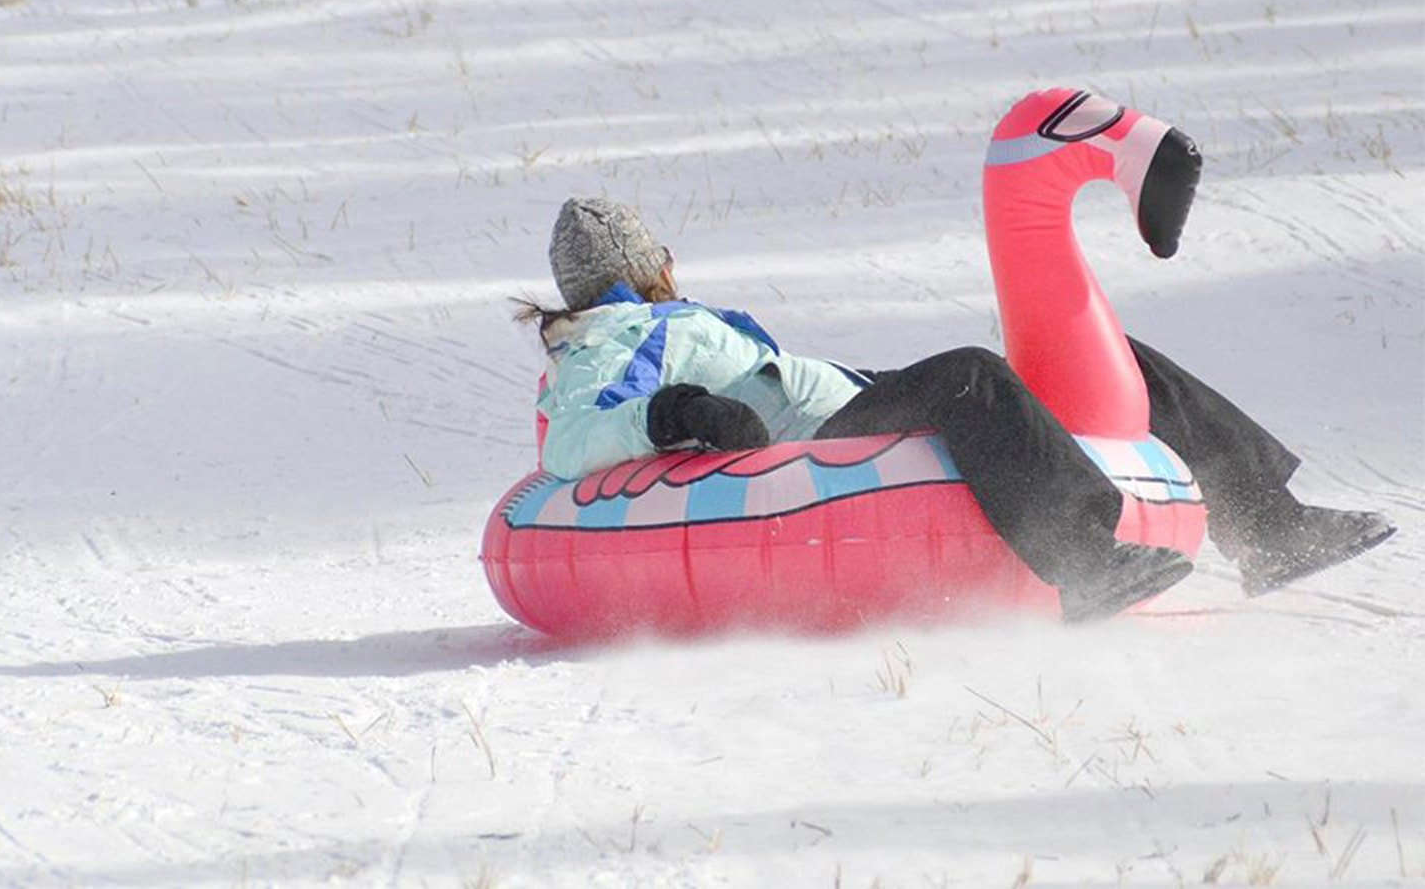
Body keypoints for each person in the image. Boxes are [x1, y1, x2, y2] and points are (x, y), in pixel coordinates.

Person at [518, 197, 1395, 623]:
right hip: (821, 444)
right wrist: (678, 411)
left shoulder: (653, 322)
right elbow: (576, 440)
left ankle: (1268, 525)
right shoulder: (609, 336)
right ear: (640, 267)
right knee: (972, 376)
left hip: (849, 401)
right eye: (659, 254)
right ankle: (1083, 559)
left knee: (1101, 360)